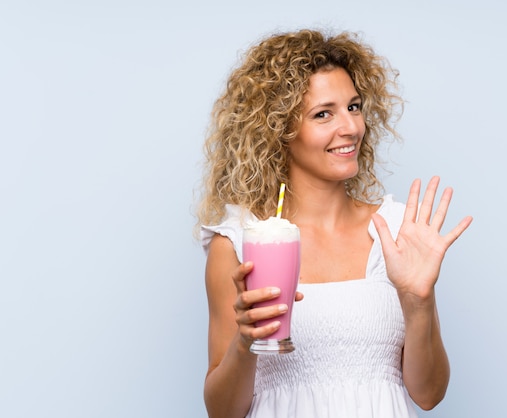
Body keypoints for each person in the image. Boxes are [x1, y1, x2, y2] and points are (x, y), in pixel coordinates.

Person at [196, 28, 472, 418]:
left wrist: (418, 302)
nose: (351, 128)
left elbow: (428, 395)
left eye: (354, 107)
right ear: (278, 129)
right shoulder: (241, 244)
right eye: (323, 114)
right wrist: (246, 342)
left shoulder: (394, 231)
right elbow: (222, 412)